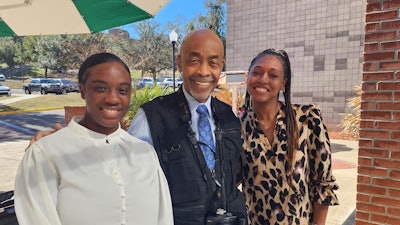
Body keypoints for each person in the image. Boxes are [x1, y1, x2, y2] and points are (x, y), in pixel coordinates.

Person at [14, 53, 173, 225]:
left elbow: (163, 217)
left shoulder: (144, 153)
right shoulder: (46, 154)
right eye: (101, 88)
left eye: (122, 90)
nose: (113, 98)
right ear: (82, 90)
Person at [128, 28, 247, 224]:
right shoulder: (151, 117)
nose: (203, 71)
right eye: (194, 61)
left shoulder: (229, 116)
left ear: (221, 67)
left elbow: (235, 174)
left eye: (213, 63)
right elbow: (131, 185)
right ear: (180, 63)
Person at [240, 48, 339, 225]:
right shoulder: (237, 126)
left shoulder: (307, 119)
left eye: (273, 75)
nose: (263, 79)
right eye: (257, 72)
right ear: (248, 77)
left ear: (283, 82)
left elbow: (322, 184)